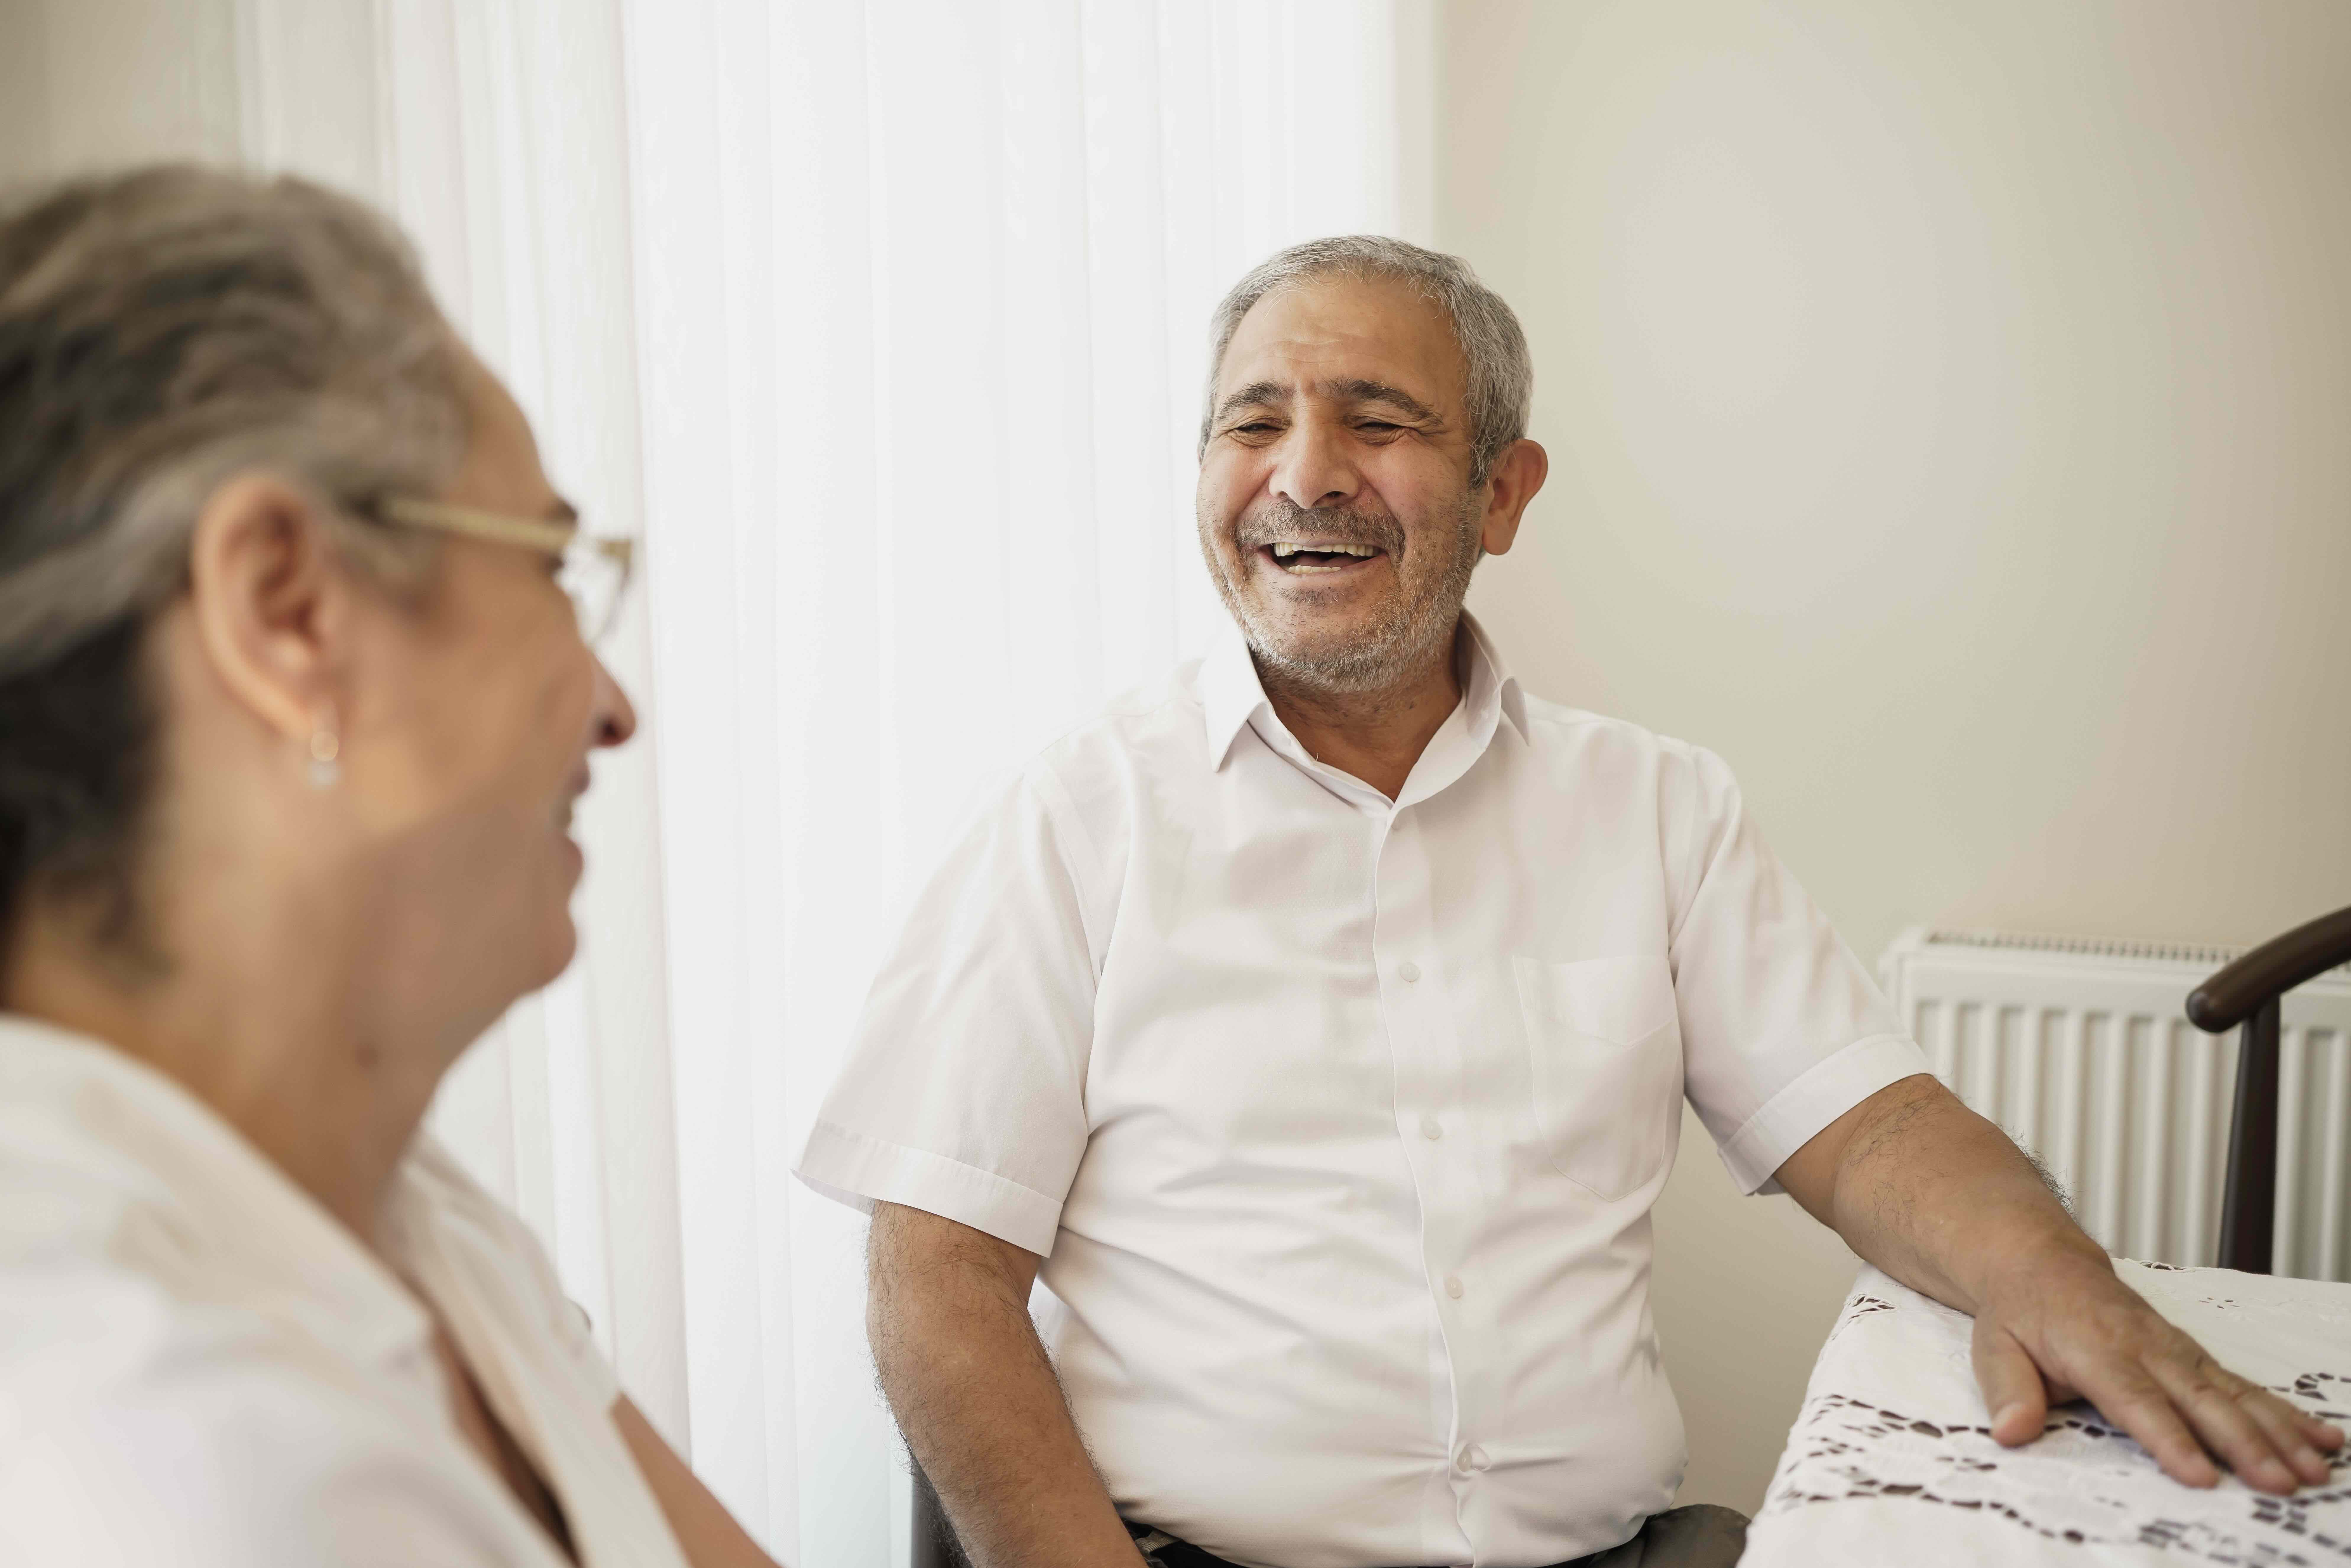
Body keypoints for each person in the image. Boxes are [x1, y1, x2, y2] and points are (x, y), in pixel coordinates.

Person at [795, 236, 2344, 1568]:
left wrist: (2067, 1289)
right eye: (1251, 419)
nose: (1307, 470)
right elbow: (939, 1269)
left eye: (1379, 419)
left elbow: (1870, 1125)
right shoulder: (1078, 813)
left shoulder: (1656, 806)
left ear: (1505, 490)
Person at [0, 166, 777, 1567]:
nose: (613, 705)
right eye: (550, 562)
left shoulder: (412, 1213)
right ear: (287, 608)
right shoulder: (144, 1460)